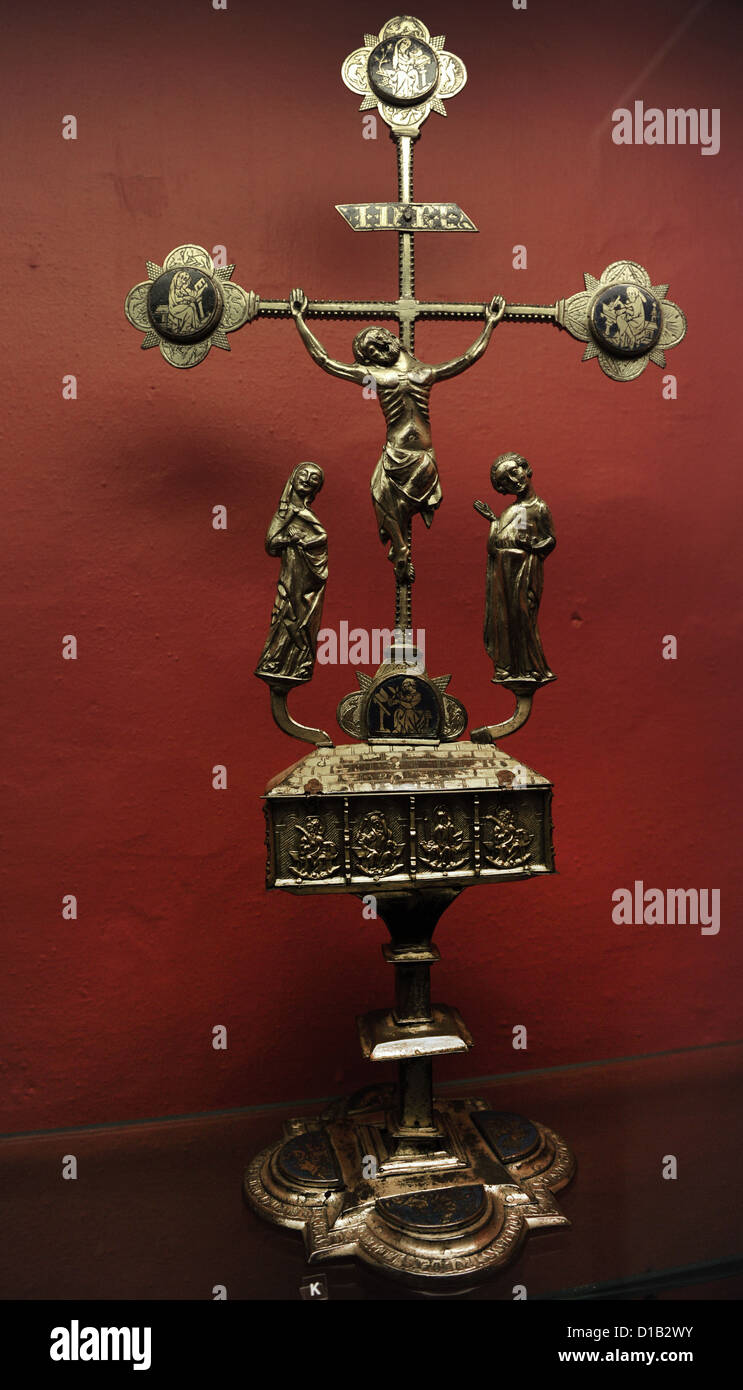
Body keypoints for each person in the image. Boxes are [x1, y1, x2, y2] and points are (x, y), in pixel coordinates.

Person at [289, 288, 506, 582]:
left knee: (400, 505)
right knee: (378, 494)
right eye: (371, 353)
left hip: (421, 456)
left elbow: (467, 357)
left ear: (392, 337)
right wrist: (300, 319)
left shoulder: (425, 372)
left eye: (378, 342)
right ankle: (401, 550)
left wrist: (489, 324)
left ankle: (401, 549)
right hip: (393, 453)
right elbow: (326, 361)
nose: (378, 351)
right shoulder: (376, 377)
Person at [475, 453, 555, 684]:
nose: (514, 480)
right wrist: (493, 521)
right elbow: (494, 546)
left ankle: (533, 668)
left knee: (523, 615)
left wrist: (534, 545)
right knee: (504, 618)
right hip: (503, 572)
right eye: (506, 481)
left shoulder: (539, 507)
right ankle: (507, 666)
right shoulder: (509, 512)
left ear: (525, 468)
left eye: (514, 472)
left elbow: (550, 539)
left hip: (524, 571)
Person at [255, 463, 327, 685]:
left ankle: (301, 660)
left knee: (304, 617)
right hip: (290, 578)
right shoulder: (286, 513)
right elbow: (271, 544)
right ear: (293, 478)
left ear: (317, 489)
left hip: (309, 579)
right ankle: (275, 660)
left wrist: (305, 542)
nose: (307, 479)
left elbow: (323, 537)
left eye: (314, 478)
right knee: (287, 613)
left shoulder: (306, 513)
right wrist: (290, 539)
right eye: (303, 474)